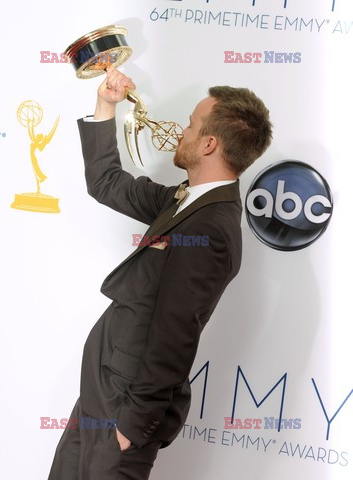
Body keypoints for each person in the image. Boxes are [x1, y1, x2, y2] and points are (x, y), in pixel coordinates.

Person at [48, 66, 272, 480]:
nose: (180, 131)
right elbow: (106, 182)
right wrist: (105, 105)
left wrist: (132, 429)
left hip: (123, 416)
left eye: (190, 125)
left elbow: (174, 338)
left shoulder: (212, 229)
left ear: (208, 143)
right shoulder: (184, 201)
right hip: (98, 397)